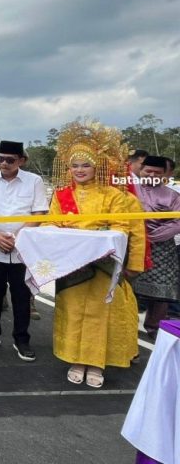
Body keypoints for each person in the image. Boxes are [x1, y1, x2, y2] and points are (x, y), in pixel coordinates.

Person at [44, 121, 145, 388]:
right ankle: (76, 359)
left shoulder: (114, 195)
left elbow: (125, 229)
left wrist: (132, 263)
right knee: (74, 312)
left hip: (103, 265)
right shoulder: (61, 195)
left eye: (85, 165)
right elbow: (50, 224)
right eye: (74, 165)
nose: (79, 170)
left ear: (97, 166)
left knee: (102, 315)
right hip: (72, 268)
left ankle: (97, 362)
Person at [0, 141, 48, 361]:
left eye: (10, 160)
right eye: (0, 159)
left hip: (22, 250)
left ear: (22, 161)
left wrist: (18, 238)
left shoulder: (34, 181)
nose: (4, 164)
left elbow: (39, 213)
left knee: (21, 297)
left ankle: (22, 339)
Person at [131, 156, 180, 340]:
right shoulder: (128, 192)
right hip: (133, 245)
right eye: (148, 171)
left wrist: (152, 236)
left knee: (161, 292)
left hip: (162, 249)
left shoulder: (172, 196)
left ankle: (155, 329)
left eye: (157, 173)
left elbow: (177, 222)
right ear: (140, 170)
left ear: (164, 175)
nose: (152, 175)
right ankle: (127, 327)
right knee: (129, 288)